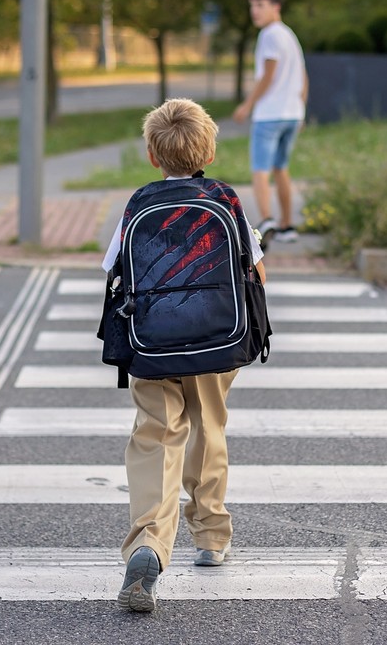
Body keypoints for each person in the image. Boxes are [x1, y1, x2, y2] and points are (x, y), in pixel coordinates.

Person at [103, 98, 267, 613]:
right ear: (210, 150)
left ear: (153, 155)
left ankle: (149, 542)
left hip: (153, 344)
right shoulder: (226, 199)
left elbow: (113, 270)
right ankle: (212, 537)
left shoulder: (139, 204)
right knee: (209, 428)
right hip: (219, 340)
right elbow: (254, 270)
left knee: (155, 434)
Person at [233, 0, 308, 246]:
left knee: (260, 170)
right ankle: (287, 225)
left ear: (276, 7)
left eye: (261, 5)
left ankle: (267, 220)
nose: (255, 11)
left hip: (270, 114)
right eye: (252, 6)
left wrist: (248, 104)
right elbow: (303, 77)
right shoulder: (289, 35)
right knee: (281, 169)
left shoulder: (270, 35)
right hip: (291, 115)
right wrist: (301, 110)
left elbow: (268, 74)